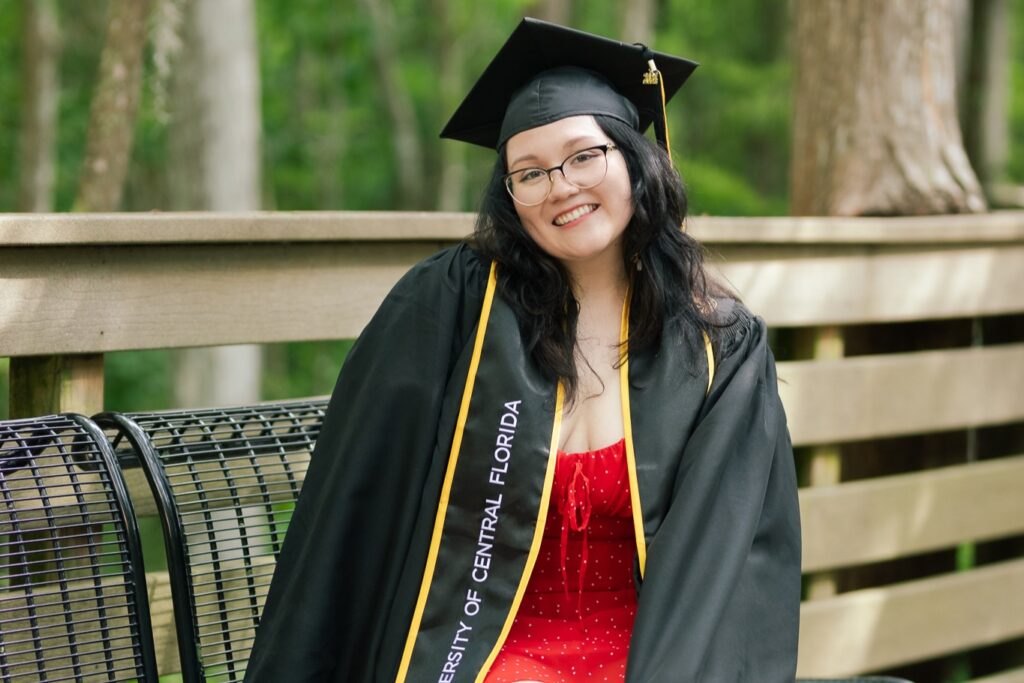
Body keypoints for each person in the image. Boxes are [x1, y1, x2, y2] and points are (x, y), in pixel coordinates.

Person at [245, 18, 800, 683]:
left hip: (656, 660)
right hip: (481, 655)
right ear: (509, 197)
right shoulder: (451, 309)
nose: (560, 186)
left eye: (583, 155)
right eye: (528, 173)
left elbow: (729, 564)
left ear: (634, 159)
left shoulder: (719, 345)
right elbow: (350, 508)